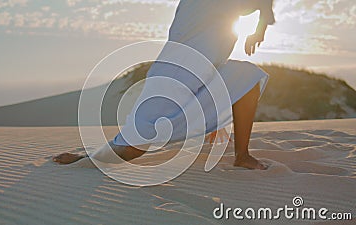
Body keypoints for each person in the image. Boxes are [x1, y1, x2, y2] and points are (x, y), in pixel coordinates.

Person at [53, 0, 275, 170]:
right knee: (134, 145)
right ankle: (88, 159)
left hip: (207, 70)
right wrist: (262, 24)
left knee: (247, 77)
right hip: (174, 73)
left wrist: (262, 26)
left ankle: (242, 156)